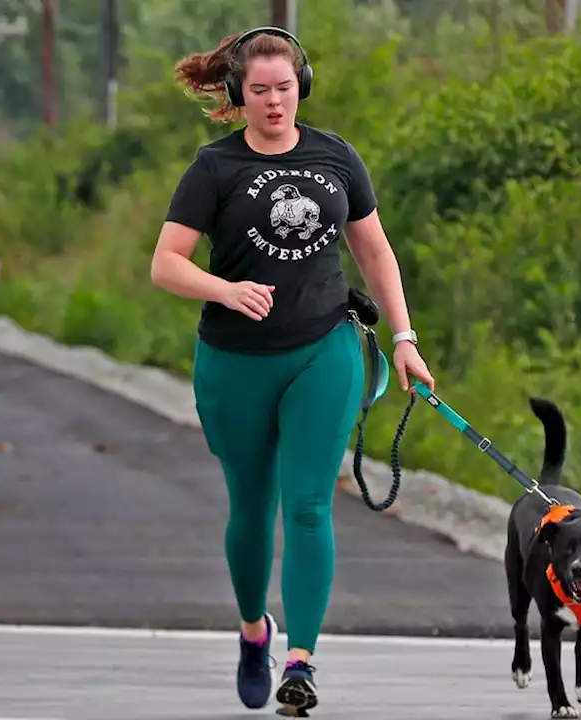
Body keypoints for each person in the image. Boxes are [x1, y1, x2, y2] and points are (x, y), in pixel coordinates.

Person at [149, 26, 436, 716]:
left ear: (299, 87)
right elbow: (166, 264)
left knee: (308, 503)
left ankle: (301, 659)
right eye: (260, 91)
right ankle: (255, 633)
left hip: (323, 348)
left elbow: (375, 253)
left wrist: (404, 337)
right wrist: (224, 291)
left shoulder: (336, 156)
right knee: (252, 506)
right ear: (238, 95)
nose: (274, 102)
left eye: (284, 88)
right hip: (234, 360)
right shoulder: (213, 168)